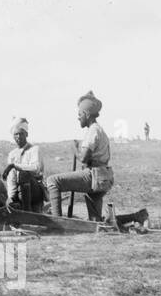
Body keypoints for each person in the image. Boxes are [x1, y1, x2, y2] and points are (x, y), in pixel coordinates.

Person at [46, 90, 114, 219]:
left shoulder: (93, 130)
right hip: (103, 177)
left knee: (52, 181)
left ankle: (57, 222)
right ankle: (135, 217)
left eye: (80, 114)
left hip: (94, 176)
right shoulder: (98, 130)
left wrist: (74, 148)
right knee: (95, 220)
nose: (78, 117)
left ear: (86, 114)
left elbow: (83, 158)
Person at [3, 118, 45, 212]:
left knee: (23, 174)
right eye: (16, 134)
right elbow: (11, 178)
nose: (18, 136)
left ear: (26, 134)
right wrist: (11, 197)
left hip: (35, 190)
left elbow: (36, 168)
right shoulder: (12, 154)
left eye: (21, 133)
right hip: (20, 190)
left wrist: (15, 166)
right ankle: (18, 205)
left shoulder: (34, 149)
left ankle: (27, 212)